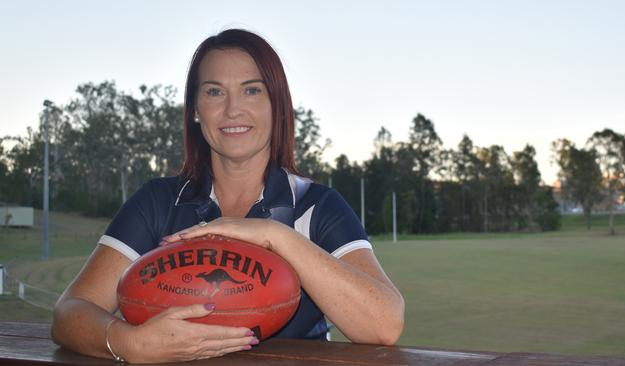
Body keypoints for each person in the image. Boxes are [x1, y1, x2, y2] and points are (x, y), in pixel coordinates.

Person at [52, 29, 404, 363]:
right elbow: (69, 313)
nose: (233, 109)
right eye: (215, 92)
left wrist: (276, 235)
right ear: (194, 109)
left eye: (252, 90)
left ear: (276, 105)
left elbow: (383, 324)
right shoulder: (158, 202)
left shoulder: (317, 206)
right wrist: (129, 343)